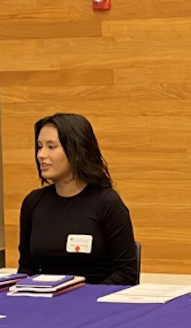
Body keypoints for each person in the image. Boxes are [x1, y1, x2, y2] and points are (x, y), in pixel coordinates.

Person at [17, 113, 138, 285]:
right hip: (45, 302)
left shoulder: (106, 202)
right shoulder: (33, 202)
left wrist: (83, 298)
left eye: (51, 147)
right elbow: (27, 268)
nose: (41, 155)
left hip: (94, 303)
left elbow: (127, 274)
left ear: (76, 152)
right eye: (39, 146)